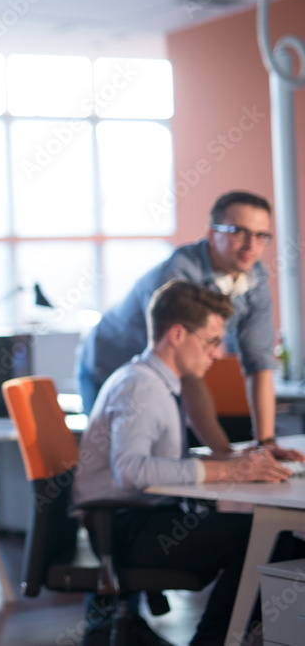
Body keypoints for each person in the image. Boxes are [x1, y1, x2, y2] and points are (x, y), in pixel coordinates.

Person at [74, 280, 298, 645]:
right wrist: (229, 470)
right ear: (177, 334)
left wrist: (235, 460)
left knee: (283, 541)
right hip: (124, 530)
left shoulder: (155, 382)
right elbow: (131, 469)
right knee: (270, 540)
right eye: (210, 341)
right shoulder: (140, 386)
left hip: (136, 522)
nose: (215, 352)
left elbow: (159, 462)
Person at [77, 190, 303, 462]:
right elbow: (187, 371)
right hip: (109, 365)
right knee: (117, 463)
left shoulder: (254, 280)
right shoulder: (178, 276)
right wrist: (226, 455)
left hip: (168, 375)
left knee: (170, 458)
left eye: (260, 236)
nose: (250, 246)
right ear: (211, 234)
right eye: (238, 232)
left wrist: (265, 443)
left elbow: (259, 365)